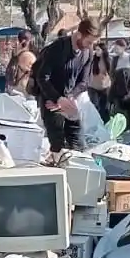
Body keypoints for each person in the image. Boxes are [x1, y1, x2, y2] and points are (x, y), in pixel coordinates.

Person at [32, 17, 101, 158]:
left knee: (77, 146)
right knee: (59, 146)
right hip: (50, 102)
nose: (90, 46)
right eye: (88, 42)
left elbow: (84, 81)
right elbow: (42, 77)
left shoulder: (88, 53)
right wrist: (58, 99)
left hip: (70, 102)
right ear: (79, 34)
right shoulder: (57, 48)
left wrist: (70, 97)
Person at [87, 43, 112, 123]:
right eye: (95, 50)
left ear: (103, 51)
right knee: (95, 106)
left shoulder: (108, 60)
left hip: (105, 86)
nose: (96, 52)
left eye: (98, 50)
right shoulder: (93, 60)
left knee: (104, 107)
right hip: (93, 86)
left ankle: (105, 124)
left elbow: (112, 73)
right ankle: (96, 124)